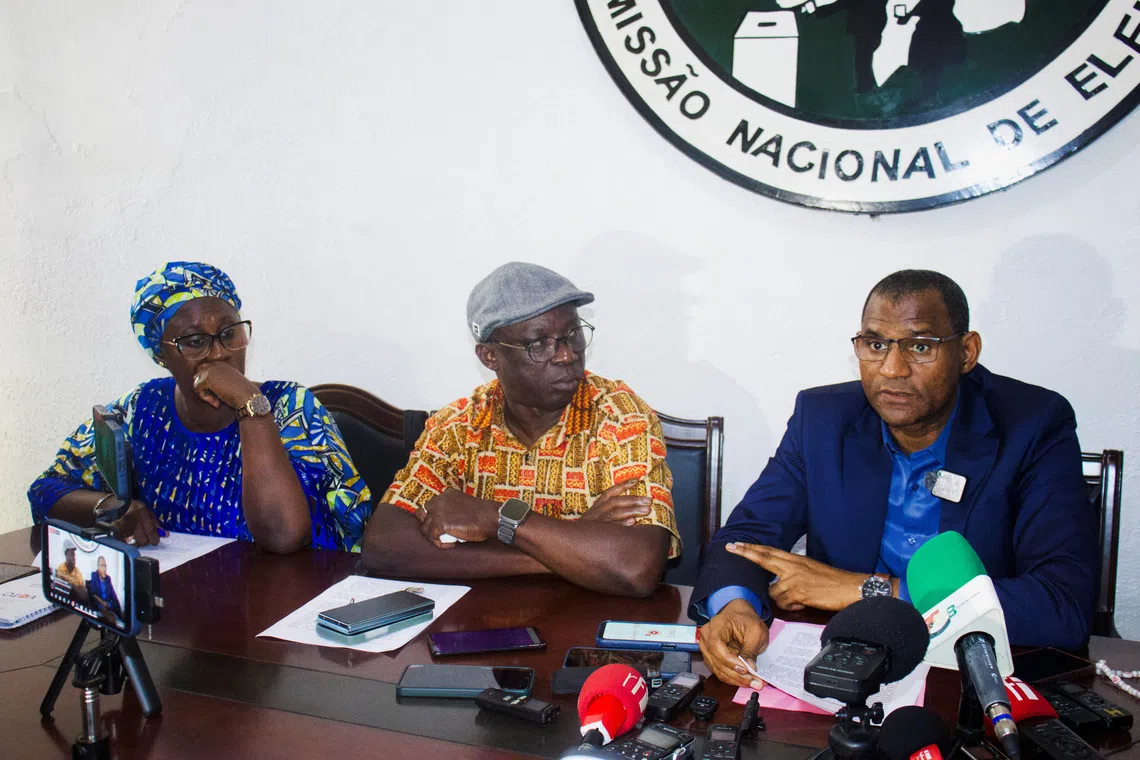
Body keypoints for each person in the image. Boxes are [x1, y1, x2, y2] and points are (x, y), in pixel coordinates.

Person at [692, 269, 1097, 688]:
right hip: (848, 666)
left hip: (971, 679)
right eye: (875, 344)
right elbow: (745, 536)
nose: (892, 369)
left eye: (920, 346)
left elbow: (1062, 604)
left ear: (966, 351)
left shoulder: (1032, 425)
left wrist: (870, 590)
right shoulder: (823, 419)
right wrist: (735, 604)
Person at [362, 262, 680, 597]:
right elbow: (384, 546)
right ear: (489, 356)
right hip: (481, 632)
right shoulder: (457, 425)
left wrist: (496, 518)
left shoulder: (620, 417)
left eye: (573, 334)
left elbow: (636, 567)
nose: (567, 355)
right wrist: (572, 546)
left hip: (585, 633)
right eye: (540, 344)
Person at [28, 262, 373, 553]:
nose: (220, 352)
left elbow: (283, 535)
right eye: (194, 342)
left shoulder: (292, 408)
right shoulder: (141, 410)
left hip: (291, 601)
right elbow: (46, 489)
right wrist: (112, 509)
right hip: (187, 608)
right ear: (161, 355)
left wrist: (249, 406)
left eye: (229, 334)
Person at [88, 556, 123, 622]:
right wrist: (102, 605)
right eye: (102, 565)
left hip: (109, 607)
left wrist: (120, 614)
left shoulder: (108, 579)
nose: (104, 568)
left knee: (118, 619)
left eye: (105, 566)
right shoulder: (94, 576)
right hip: (99, 608)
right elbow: (93, 594)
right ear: (98, 567)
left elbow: (114, 597)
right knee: (111, 618)